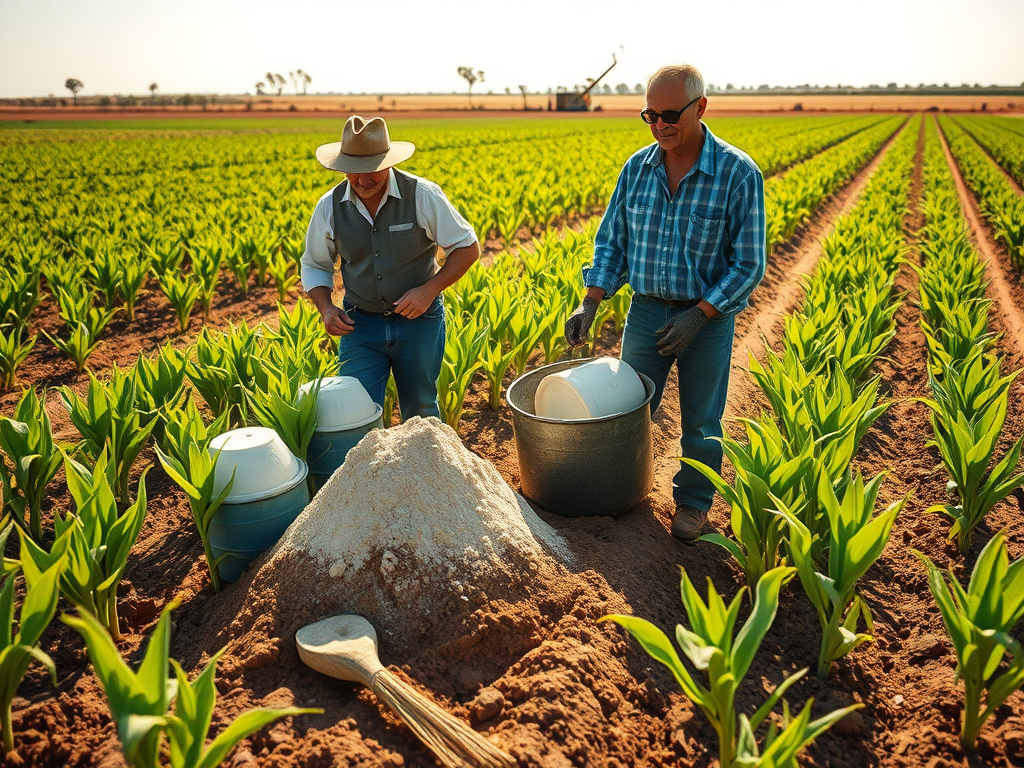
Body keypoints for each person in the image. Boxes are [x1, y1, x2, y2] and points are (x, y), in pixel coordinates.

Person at [564, 64, 766, 541]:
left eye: (669, 115)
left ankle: (694, 503)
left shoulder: (738, 174)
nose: (659, 126)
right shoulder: (637, 168)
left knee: (701, 417)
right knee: (629, 409)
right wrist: (590, 301)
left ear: (700, 108)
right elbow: (612, 242)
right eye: (649, 115)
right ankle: (618, 491)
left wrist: (701, 314)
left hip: (708, 317)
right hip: (648, 310)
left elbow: (748, 264)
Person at [301, 115, 480, 420]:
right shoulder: (329, 207)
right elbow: (315, 264)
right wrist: (326, 309)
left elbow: (467, 247)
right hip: (360, 326)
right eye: (354, 172)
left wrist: (429, 290)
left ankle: (425, 468)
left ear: (388, 162)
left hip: (419, 323)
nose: (363, 179)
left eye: (373, 169)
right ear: (342, 167)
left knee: (421, 409)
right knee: (356, 412)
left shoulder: (423, 195)